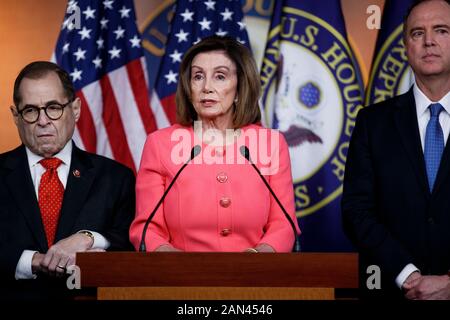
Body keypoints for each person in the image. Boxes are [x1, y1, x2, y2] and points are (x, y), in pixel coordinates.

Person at [129, 36, 300, 253]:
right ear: (188, 87)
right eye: (198, 76)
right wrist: (175, 264)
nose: (206, 87)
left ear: (239, 89)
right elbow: (147, 228)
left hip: (255, 280)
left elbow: (283, 224)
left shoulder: (271, 144)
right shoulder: (160, 144)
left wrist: (259, 257)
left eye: (220, 76)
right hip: (180, 281)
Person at [0, 61, 135, 300]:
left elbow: (132, 243)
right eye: (30, 110)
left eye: (53, 107)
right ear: (15, 116)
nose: (43, 121)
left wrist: (91, 239)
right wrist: (33, 261)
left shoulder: (116, 178)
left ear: (75, 109)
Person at [342, 0, 450, 299]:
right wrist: (407, 274)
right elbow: (357, 211)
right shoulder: (372, 122)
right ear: (405, 46)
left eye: (441, 30)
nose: (428, 41)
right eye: (417, 33)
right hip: (391, 289)